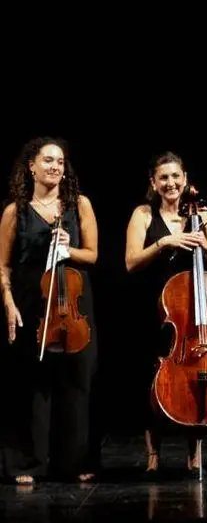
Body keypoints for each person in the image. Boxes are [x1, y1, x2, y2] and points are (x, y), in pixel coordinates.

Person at [0, 136, 99, 484]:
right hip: (31, 302)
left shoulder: (79, 205)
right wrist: (8, 302)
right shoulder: (16, 211)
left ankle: (73, 460)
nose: (55, 166)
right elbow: (4, 266)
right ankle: (28, 463)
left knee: (76, 382)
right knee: (31, 385)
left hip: (72, 302)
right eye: (47, 160)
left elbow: (93, 255)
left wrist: (69, 249)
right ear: (31, 166)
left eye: (60, 161)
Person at [125, 151, 207, 477]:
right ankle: (153, 456)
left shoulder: (203, 213)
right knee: (149, 381)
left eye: (175, 177)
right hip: (153, 308)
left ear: (185, 179)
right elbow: (130, 262)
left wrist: (204, 244)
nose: (170, 183)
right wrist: (165, 242)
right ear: (153, 183)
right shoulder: (143, 214)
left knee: (197, 378)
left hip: (193, 314)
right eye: (163, 178)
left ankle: (194, 454)